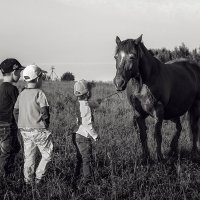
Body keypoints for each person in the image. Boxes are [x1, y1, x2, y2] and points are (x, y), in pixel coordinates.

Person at [13, 64, 53, 185]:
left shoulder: (21, 94)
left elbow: (15, 111)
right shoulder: (40, 93)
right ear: (37, 78)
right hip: (38, 130)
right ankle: (39, 177)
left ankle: (28, 181)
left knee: (29, 156)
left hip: (24, 130)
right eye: (41, 77)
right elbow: (44, 111)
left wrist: (19, 123)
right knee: (47, 154)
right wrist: (46, 124)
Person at [0, 58, 24, 179]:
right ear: (14, 72)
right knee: (7, 153)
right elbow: (18, 107)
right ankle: (5, 177)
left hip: (1, 124)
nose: (20, 75)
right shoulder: (12, 89)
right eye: (19, 72)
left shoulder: (1, 87)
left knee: (14, 147)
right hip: (8, 126)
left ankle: (10, 171)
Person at [72, 79, 99, 186]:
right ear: (88, 93)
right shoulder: (86, 107)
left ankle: (77, 175)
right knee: (87, 158)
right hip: (83, 137)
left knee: (80, 158)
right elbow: (87, 124)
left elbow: (87, 106)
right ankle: (87, 181)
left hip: (76, 134)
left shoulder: (78, 103)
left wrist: (96, 103)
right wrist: (95, 135)